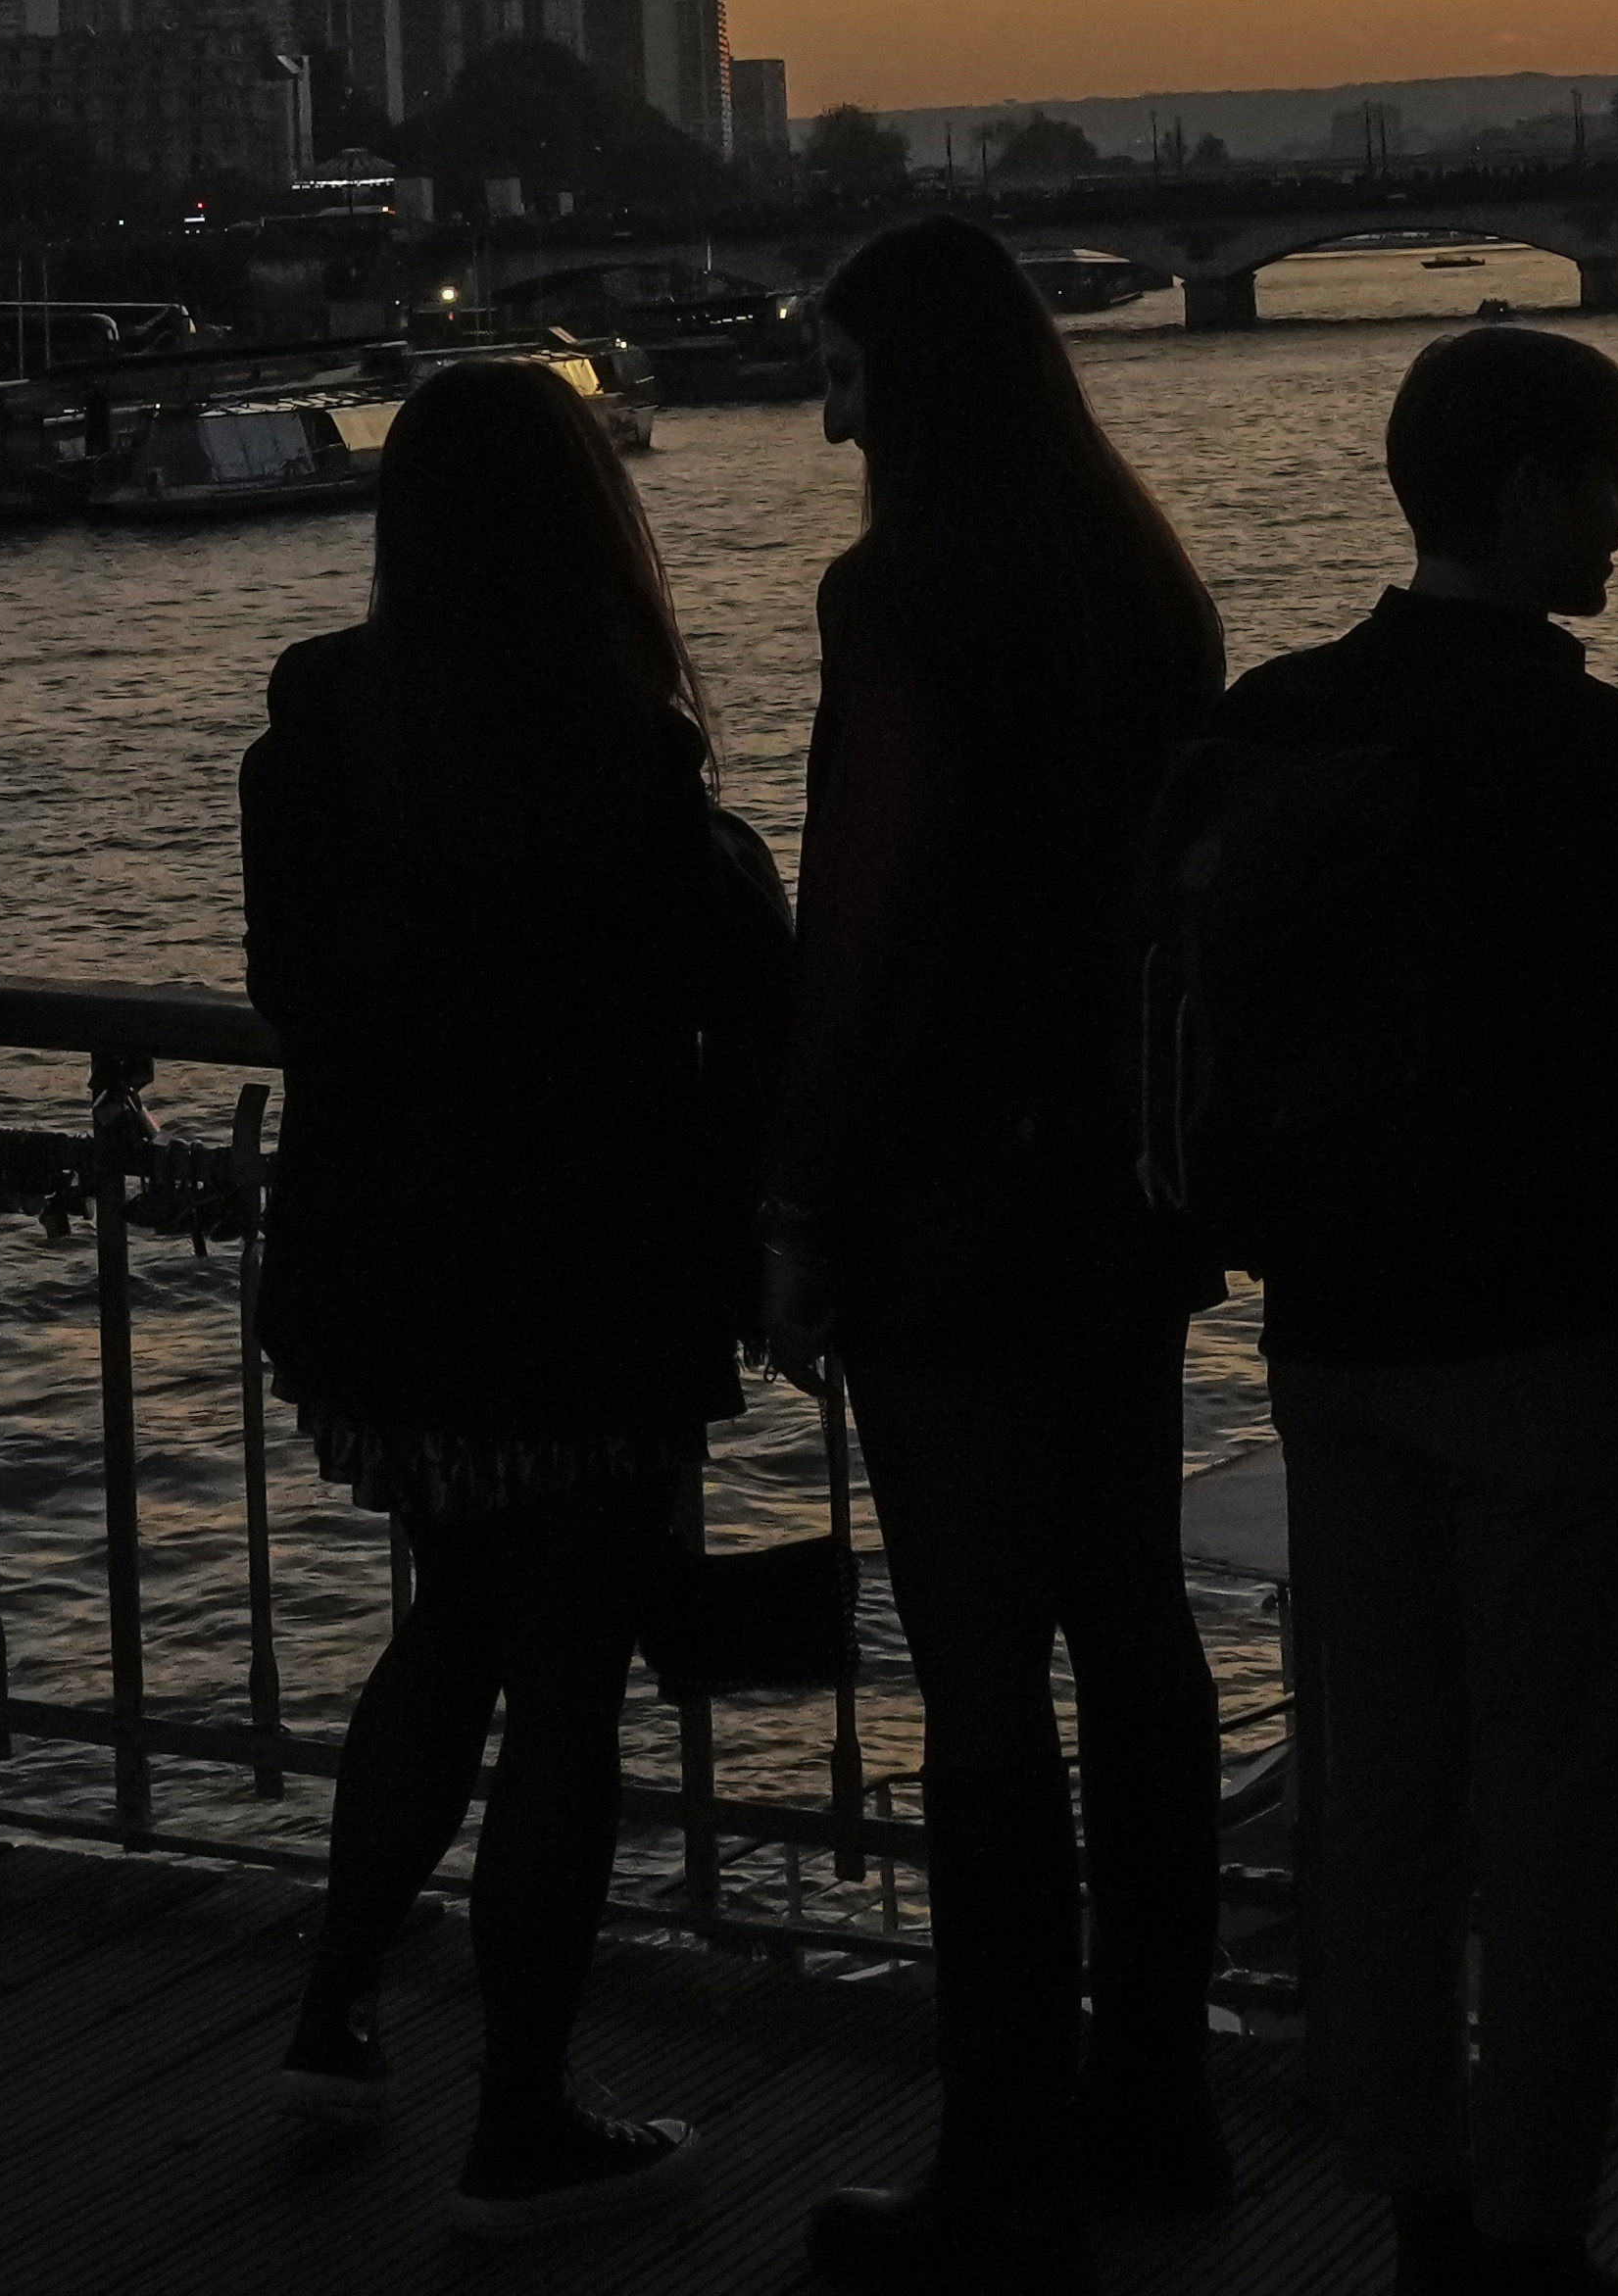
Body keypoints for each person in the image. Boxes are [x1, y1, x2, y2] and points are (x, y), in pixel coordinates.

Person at [1179, 323, 1618, 2296]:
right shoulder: (1589, 747)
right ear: (1518, 496)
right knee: (1555, 1800)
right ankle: (1537, 2217)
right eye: (1605, 481)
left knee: (1380, 1786)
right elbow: (1616, 1065)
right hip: (1552, 1328)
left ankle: (1410, 2186)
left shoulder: (1279, 717)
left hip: (1335, 1322)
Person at [244, 361, 796, 2243]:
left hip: (378, 1271)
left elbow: (299, 991)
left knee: (454, 1620)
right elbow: (712, 989)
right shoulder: (610, 739)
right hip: (575, 1277)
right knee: (563, 1681)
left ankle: (333, 2015)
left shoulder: (317, 719)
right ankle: (524, 2115)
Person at [771, 215, 1237, 2291]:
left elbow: (866, 912)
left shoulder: (903, 602)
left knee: (977, 1682)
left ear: (916, 385)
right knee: (1134, 1639)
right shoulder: (1141, 591)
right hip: (1118, 1191)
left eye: (848, 368)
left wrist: (793, 1180)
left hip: (949, 1202)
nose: (825, 402)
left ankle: (1000, 2163)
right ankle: (1161, 2100)